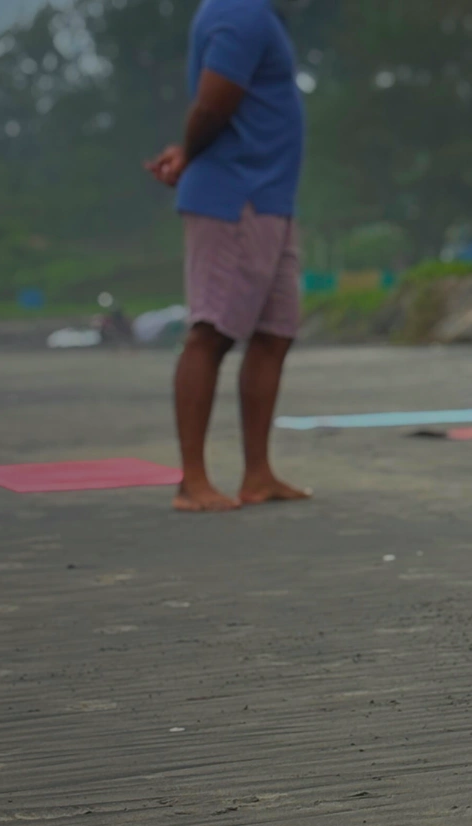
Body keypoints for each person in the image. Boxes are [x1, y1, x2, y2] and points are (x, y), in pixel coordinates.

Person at [145, 0, 308, 512]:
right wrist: (190, 155)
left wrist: (186, 151)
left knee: (274, 334)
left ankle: (258, 475)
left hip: (271, 198)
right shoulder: (241, 12)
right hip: (235, 197)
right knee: (211, 332)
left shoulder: (262, 15)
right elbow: (214, 105)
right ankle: (192, 481)